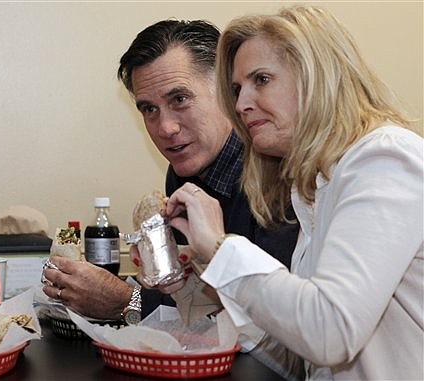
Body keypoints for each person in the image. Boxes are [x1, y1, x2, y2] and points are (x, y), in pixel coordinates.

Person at [158, 6, 423, 380]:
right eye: (237, 89)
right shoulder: (315, 187)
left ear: (317, 77)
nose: (240, 104)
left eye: (261, 79)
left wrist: (221, 247)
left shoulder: (385, 158)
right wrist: (193, 284)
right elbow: (298, 355)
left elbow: (331, 332)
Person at [42, 20, 299, 322]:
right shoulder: (182, 170)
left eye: (180, 99)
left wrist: (127, 300)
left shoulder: (279, 170)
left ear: (228, 94)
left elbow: (272, 316)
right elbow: (189, 300)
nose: (166, 128)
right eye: (149, 109)